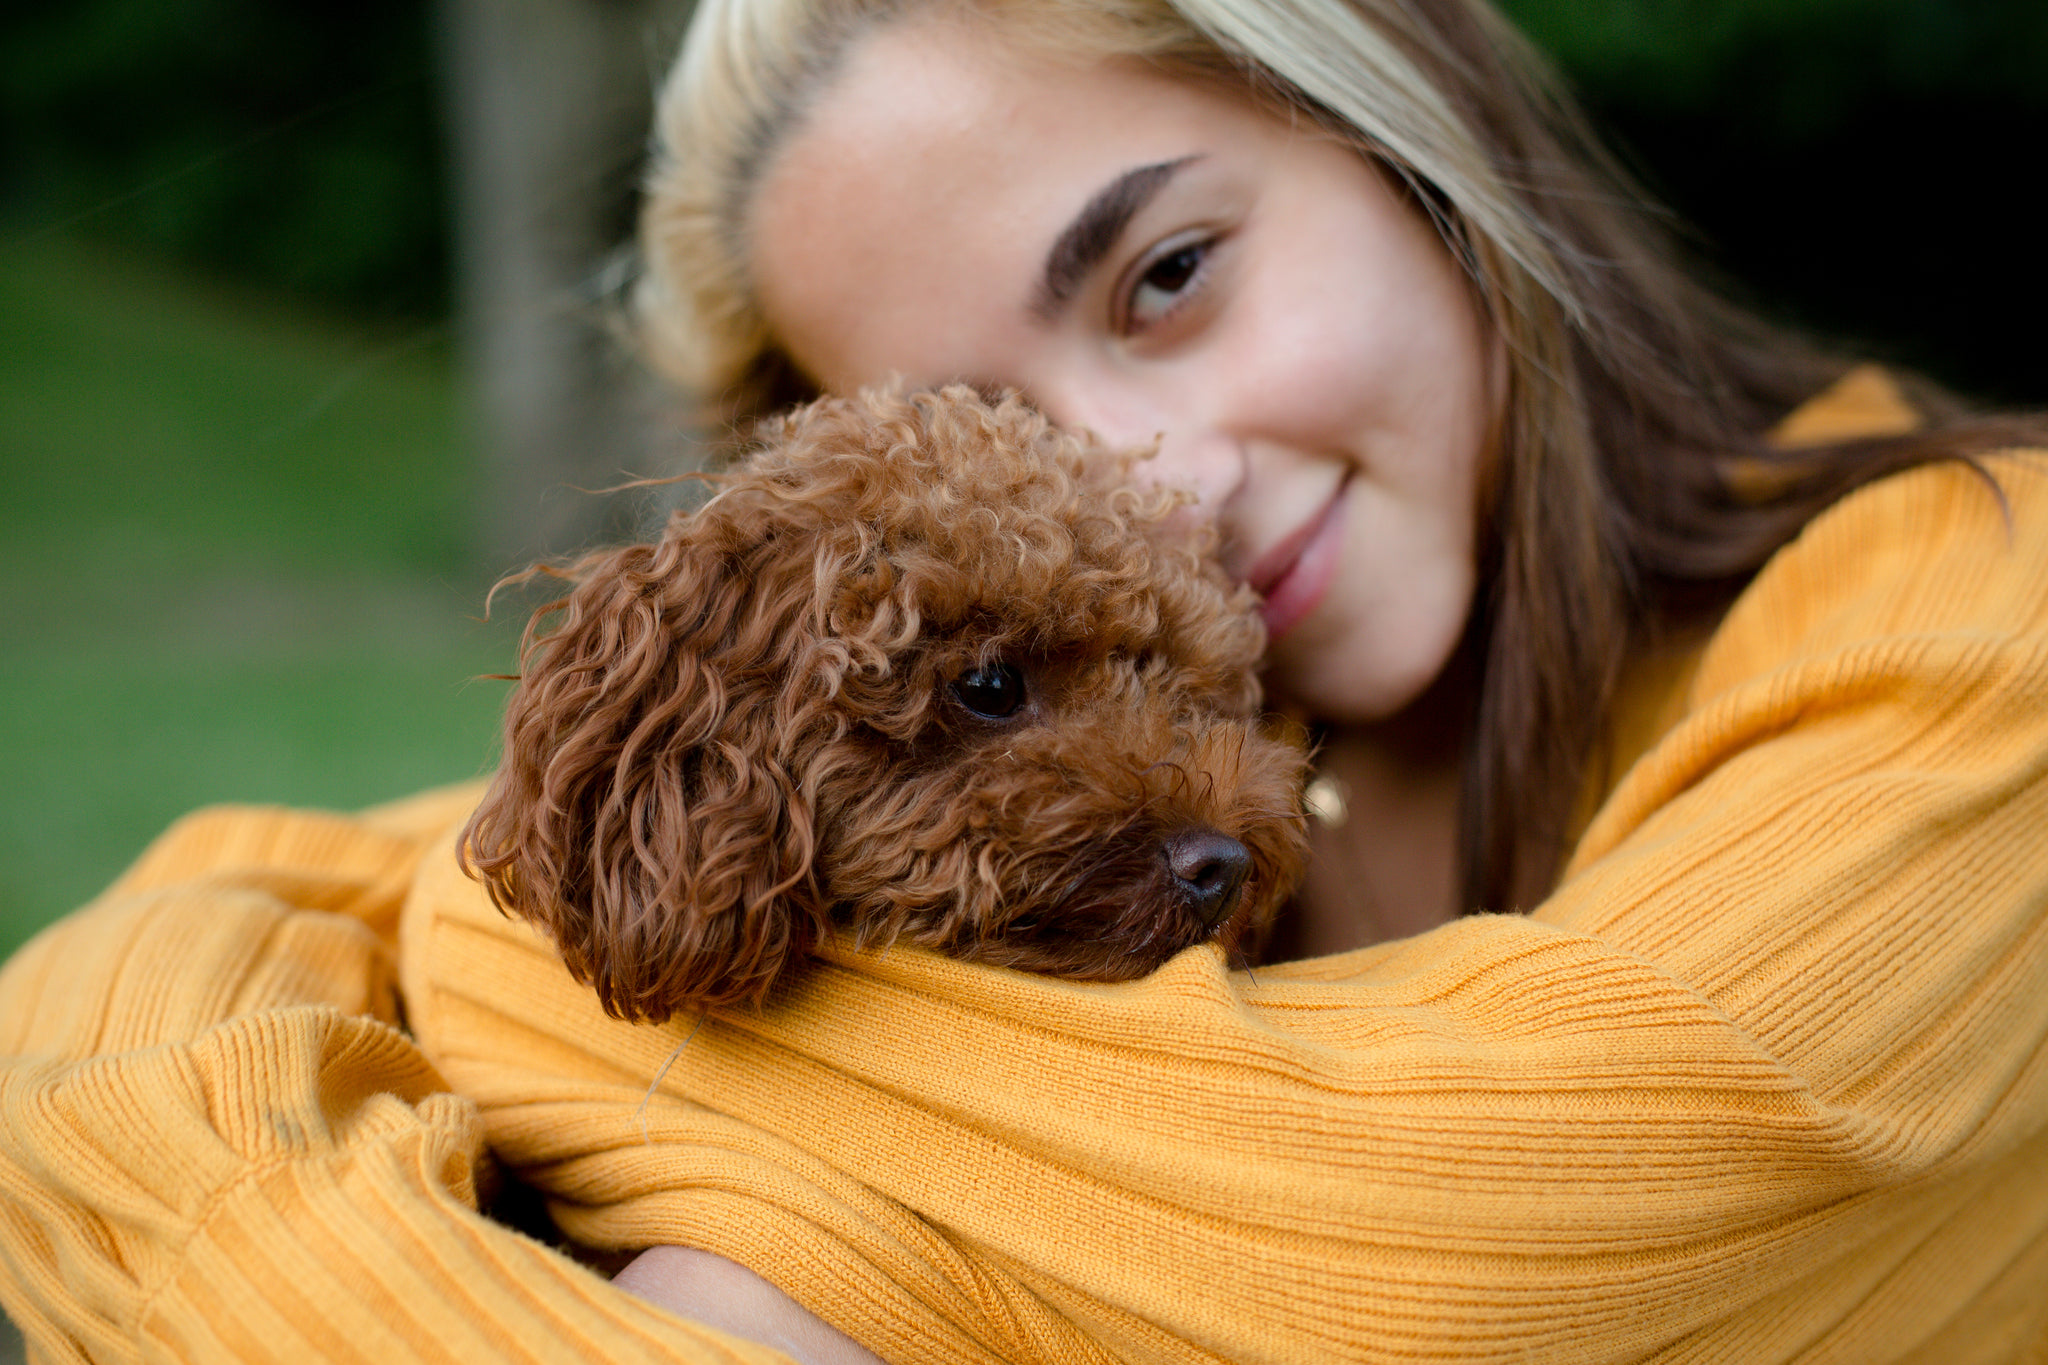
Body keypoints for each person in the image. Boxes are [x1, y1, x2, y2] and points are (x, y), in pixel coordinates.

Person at [2, 0, 2045, 1359]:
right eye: (996, 428)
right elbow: (113, 994)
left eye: (1164, 272)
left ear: (1407, 130)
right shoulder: (1236, 736)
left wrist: (683, 1151)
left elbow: (1492, 1213)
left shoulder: (1988, 613)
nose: (1148, 491)